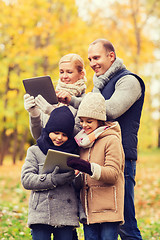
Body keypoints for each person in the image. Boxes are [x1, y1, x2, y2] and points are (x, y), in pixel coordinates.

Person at [87, 39, 145, 240]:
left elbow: (110, 110)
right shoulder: (102, 84)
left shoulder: (129, 81)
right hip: (100, 161)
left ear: (111, 56)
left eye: (96, 57)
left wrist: (81, 103)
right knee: (107, 222)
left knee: (125, 224)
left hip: (122, 161)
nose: (93, 63)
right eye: (90, 59)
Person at [67, 92, 125, 240]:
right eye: (82, 120)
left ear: (99, 120)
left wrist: (88, 167)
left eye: (89, 121)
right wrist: (77, 175)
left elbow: (112, 174)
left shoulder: (111, 140)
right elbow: (83, 177)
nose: (84, 125)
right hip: (89, 209)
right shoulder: (83, 141)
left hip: (108, 208)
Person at [21, 106, 80, 240]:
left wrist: (76, 176)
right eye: (56, 132)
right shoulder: (35, 151)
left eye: (65, 135)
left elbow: (78, 186)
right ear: (48, 130)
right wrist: (52, 179)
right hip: (40, 212)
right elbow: (26, 179)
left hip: (66, 213)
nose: (60, 138)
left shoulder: (74, 153)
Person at [24, 53, 86, 140]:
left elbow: (79, 136)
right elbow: (38, 136)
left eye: (69, 72)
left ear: (81, 74)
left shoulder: (84, 101)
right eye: (61, 72)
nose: (64, 76)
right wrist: (34, 114)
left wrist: (54, 113)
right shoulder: (51, 97)